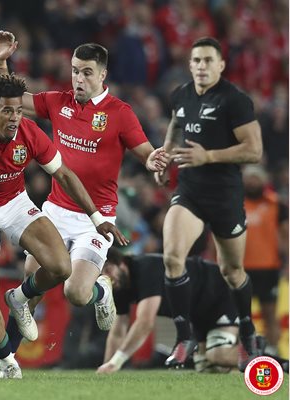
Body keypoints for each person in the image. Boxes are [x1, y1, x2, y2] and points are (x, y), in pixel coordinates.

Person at [0, 74, 127, 379]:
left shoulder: (29, 132)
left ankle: (20, 297)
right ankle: (6, 362)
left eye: (19, 110)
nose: (15, 118)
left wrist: (97, 218)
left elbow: (65, 175)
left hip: (16, 203)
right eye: (8, 111)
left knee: (62, 268)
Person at [0, 31, 168, 349]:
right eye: (75, 70)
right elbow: (9, 97)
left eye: (87, 72)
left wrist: (154, 158)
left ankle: (101, 290)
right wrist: (0, 60)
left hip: (95, 218)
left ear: (102, 75)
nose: (79, 78)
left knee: (76, 293)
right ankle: (7, 360)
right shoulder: (59, 102)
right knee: (32, 282)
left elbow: (144, 150)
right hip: (56, 211)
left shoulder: (120, 113)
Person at [154, 37, 263, 370]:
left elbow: (254, 150)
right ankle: (185, 336)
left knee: (232, 272)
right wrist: (166, 154)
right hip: (190, 192)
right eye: (196, 60)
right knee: (172, 256)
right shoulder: (181, 94)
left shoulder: (235, 100)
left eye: (207, 60)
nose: (201, 66)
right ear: (190, 65)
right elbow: (176, 123)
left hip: (225, 195)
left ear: (220, 65)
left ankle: (246, 330)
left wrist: (209, 156)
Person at [96, 249, 243, 374]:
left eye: (108, 269)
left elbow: (145, 322)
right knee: (206, 366)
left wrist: (116, 362)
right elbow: (118, 330)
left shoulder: (146, 268)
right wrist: (107, 365)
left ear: (121, 263)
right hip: (199, 311)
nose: (107, 277)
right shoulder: (119, 285)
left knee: (218, 356)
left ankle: (259, 354)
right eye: (101, 275)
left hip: (220, 293)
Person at [243, 165, 287, 355]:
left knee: (270, 313)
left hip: (268, 267)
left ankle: (272, 351)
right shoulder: (236, 203)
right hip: (240, 267)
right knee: (240, 315)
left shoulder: (276, 204)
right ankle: (242, 351)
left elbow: (286, 235)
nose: (252, 182)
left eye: (256, 178)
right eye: (249, 178)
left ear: (263, 180)